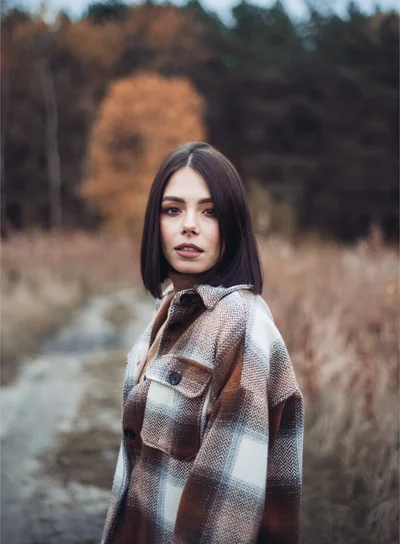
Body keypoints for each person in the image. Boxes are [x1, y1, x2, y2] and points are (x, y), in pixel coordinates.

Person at [102, 141, 304, 544]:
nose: (189, 225)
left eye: (209, 211)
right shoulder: (171, 311)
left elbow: (227, 514)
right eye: (173, 209)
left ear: (233, 225)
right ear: (154, 223)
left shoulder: (240, 324)